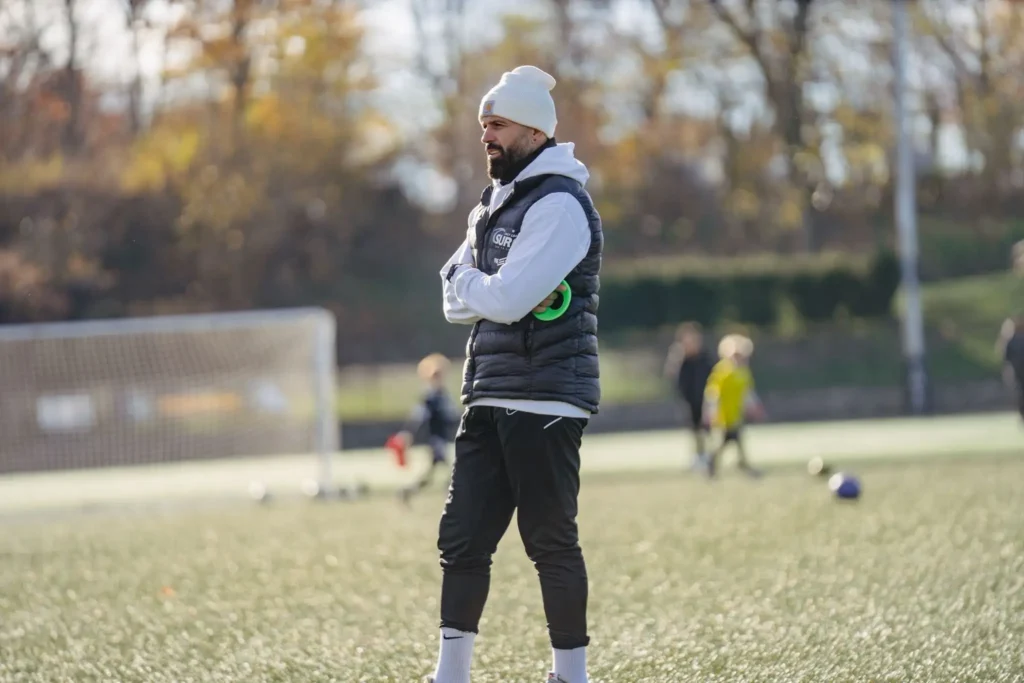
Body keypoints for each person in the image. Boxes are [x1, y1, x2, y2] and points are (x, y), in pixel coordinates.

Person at [424, 65, 602, 683]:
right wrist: (480, 287)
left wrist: (472, 284)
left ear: (534, 130)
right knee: (463, 537)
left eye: (497, 125)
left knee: (549, 540)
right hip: (488, 393)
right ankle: (451, 674)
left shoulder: (561, 203)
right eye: (483, 126)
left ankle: (570, 674)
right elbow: (454, 302)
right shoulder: (492, 206)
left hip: (547, 395)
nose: (486, 137)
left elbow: (503, 301)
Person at [395, 354, 461, 504]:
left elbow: (452, 416)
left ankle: (408, 491)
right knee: (452, 471)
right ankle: (451, 498)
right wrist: (408, 433)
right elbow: (418, 417)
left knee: (432, 475)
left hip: (442, 438)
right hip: (436, 439)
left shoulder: (442, 395)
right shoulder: (429, 398)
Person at [702, 333, 766, 478]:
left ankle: (740, 464)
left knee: (735, 440)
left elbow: (747, 393)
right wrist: (711, 412)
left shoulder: (744, 373)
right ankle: (714, 462)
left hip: (736, 415)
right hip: (723, 416)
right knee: (725, 441)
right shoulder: (722, 372)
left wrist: (755, 407)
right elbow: (712, 394)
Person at [663, 322, 715, 469]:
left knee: (708, 430)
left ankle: (709, 456)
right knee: (695, 431)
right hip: (689, 401)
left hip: (705, 400)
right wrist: (676, 358)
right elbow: (671, 376)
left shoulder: (704, 358)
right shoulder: (681, 360)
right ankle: (698, 457)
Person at [998, 317, 1024, 422]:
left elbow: (1005, 357)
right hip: (1018, 372)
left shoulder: (1010, 340)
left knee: (1020, 393)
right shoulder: (1012, 340)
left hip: (1017, 371)